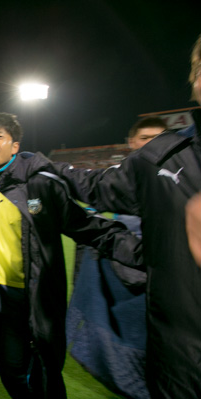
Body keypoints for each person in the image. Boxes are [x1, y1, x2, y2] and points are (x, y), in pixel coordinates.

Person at [0, 112, 142, 398]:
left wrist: (141, 253)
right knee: (11, 366)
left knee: (24, 370)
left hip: (26, 297)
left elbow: (87, 227)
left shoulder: (39, 183)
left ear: (15, 146)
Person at [54, 33, 201, 399]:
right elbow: (99, 198)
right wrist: (48, 178)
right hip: (179, 359)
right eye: (200, 68)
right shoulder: (163, 158)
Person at [66, 115, 167, 399]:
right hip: (123, 287)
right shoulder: (114, 180)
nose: (152, 144)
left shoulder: (179, 180)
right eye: (145, 138)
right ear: (132, 142)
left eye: (160, 138)